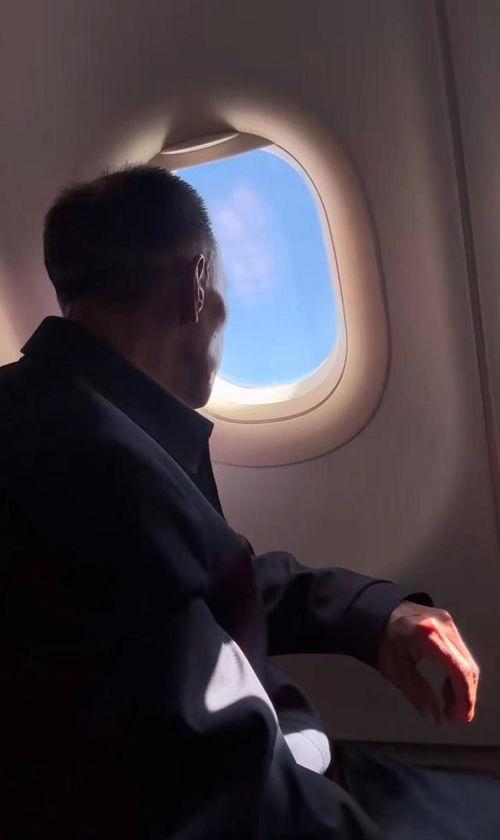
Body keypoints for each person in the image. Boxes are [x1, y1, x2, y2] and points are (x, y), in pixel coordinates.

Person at [0, 166, 482, 838]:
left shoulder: (74, 416)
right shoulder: (94, 467)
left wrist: (373, 616)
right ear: (195, 284)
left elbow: (216, 583)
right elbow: (216, 788)